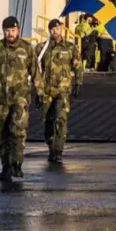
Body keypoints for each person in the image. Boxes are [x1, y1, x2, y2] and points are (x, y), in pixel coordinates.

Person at [0, 16, 43, 181]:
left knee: (18, 132)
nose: (10, 34)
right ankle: (6, 166)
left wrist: (40, 93)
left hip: (20, 98)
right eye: (7, 31)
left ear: (18, 30)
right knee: (3, 133)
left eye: (13, 31)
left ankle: (17, 165)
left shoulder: (27, 49)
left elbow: (36, 72)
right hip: (1, 99)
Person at [36, 19, 83, 163]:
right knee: (48, 120)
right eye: (52, 29)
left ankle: (58, 150)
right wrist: (37, 91)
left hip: (63, 90)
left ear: (61, 29)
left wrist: (78, 83)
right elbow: (35, 69)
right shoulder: (41, 48)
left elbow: (78, 66)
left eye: (57, 28)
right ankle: (51, 146)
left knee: (60, 119)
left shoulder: (70, 47)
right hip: (46, 91)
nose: (54, 31)